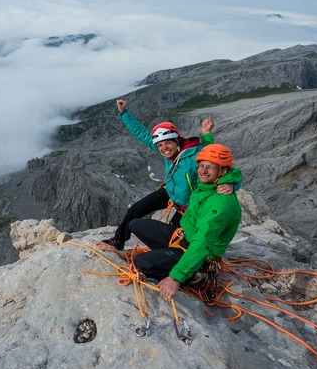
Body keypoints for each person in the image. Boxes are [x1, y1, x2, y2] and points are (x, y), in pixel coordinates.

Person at [102, 99, 237, 250]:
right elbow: (142, 134)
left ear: (177, 141)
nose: (164, 148)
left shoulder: (193, 155)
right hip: (169, 192)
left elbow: (219, 163)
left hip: (188, 206)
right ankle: (119, 240)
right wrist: (124, 113)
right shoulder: (168, 153)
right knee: (135, 210)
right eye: (160, 145)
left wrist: (232, 184)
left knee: (175, 240)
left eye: (168, 143)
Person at [129, 143, 243, 301]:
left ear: (222, 171)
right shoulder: (206, 187)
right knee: (135, 224)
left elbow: (202, 242)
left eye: (209, 167)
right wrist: (235, 182)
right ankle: (167, 258)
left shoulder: (221, 203)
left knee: (141, 262)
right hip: (183, 237)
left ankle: (195, 275)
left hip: (198, 251)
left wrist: (176, 277)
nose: (202, 171)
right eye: (201, 166)